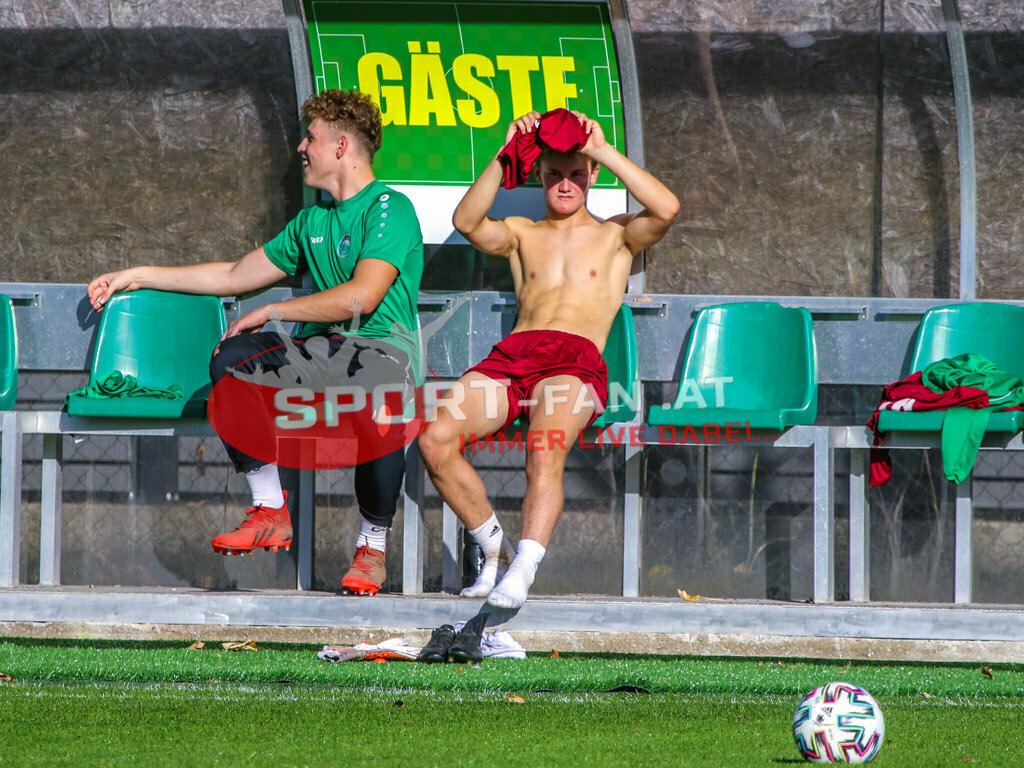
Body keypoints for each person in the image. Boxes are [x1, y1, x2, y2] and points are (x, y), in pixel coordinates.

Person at [87, 88, 424, 596]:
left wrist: (272, 311)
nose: (301, 148)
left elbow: (363, 296)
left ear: (340, 146)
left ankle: (372, 548)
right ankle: (269, 509)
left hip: (380, 359)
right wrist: (136, 275)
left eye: (310, 138)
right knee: (232, 357)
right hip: (319, 362)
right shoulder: (312, 221)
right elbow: (232, 275)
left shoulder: (389, 209)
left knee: (380, 388)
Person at [418, 109, 679, 609]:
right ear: (538, 173)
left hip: (574, 361)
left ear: (592, 175)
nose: (565, 183)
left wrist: (601, 149)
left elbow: (667, 208)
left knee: (544, 447)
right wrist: (506, 154)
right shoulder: (521, 232)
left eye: (576, 173)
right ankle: (495, 552)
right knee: (435, 440)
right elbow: (466, 222)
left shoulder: (617, 235)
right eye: (554, 173)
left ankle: (522, 571)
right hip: (513, 357)